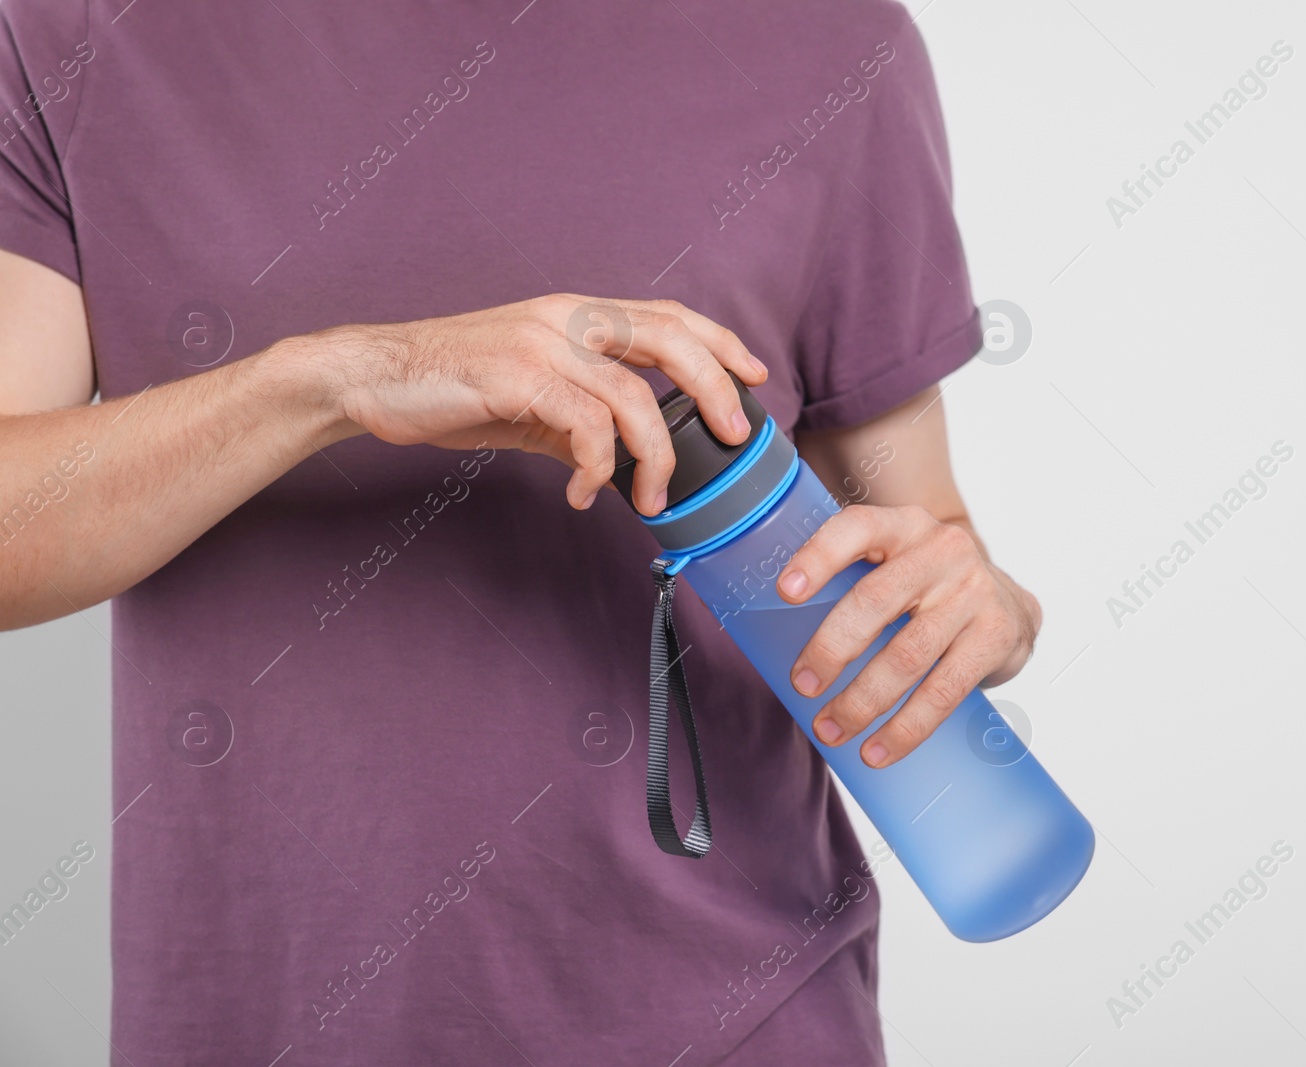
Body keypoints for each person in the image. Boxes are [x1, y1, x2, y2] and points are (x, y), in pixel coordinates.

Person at [0, 1, 1042, 1062]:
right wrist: (333, 381)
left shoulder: (826, 39)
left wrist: (987, 607)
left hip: (734, 1016)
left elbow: (915, 530)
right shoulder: (79, 30)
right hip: (258, 1024)